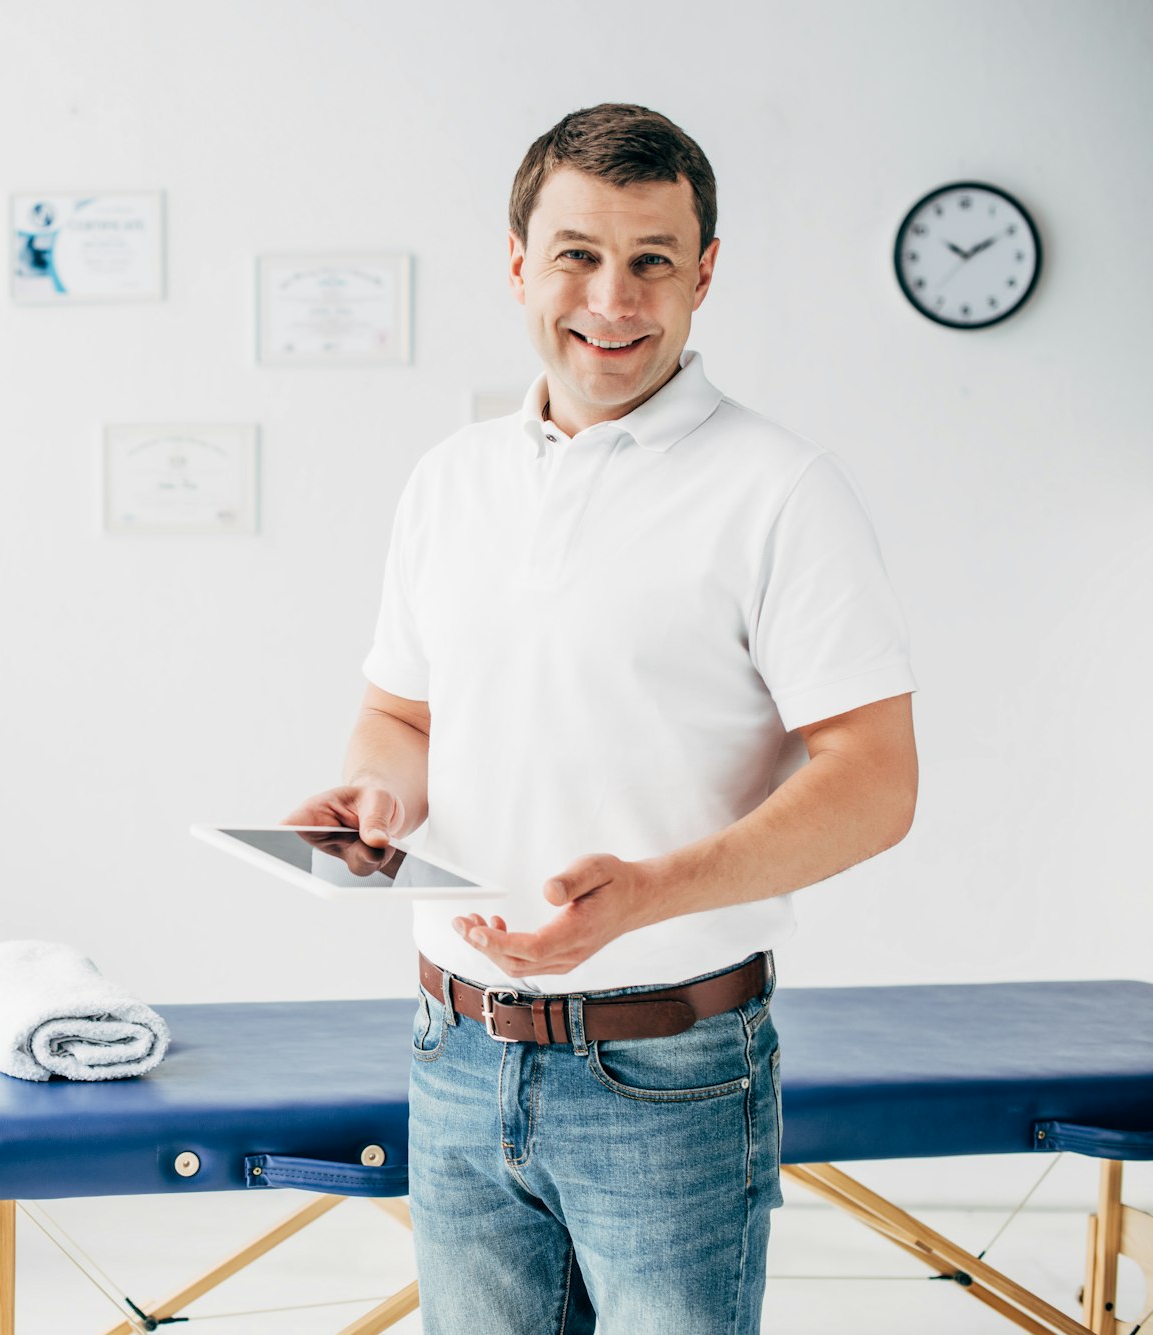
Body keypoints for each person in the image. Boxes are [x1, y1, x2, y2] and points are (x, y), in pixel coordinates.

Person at [285, 103, 919, 1334]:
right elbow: (395, 715)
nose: (612, 300)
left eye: (650, 261)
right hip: (452, 1049)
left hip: (668, 1069)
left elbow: (875, 779)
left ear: (704, 274)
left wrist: (654, 889)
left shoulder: (779, 492)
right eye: (576, 254)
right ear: (517, 260)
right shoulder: (448, 481)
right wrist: (376, 795)